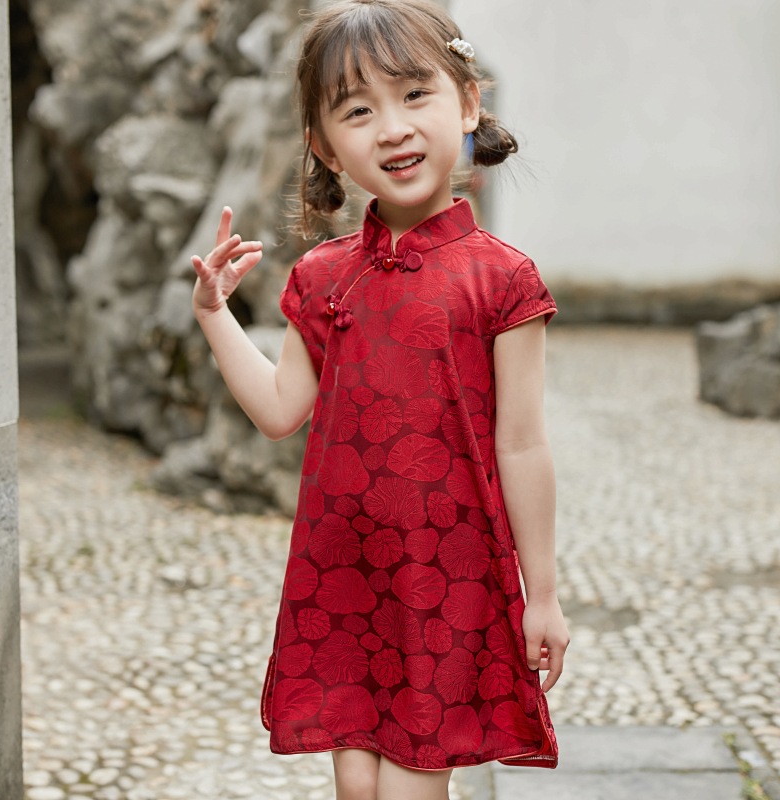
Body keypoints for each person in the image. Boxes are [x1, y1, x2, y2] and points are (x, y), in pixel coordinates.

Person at [191, 1, 570, 797]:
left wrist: (543, 595)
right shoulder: (324, 277)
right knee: (359, 787)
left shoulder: (503, 279)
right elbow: (279, 409)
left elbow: (523, 444)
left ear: (467, 102)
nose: (393, 128)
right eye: (358, 111)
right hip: (345, 575)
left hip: (446, 574)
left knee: (406, 789)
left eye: (414, 95)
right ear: (324, 146)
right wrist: (215, 316)